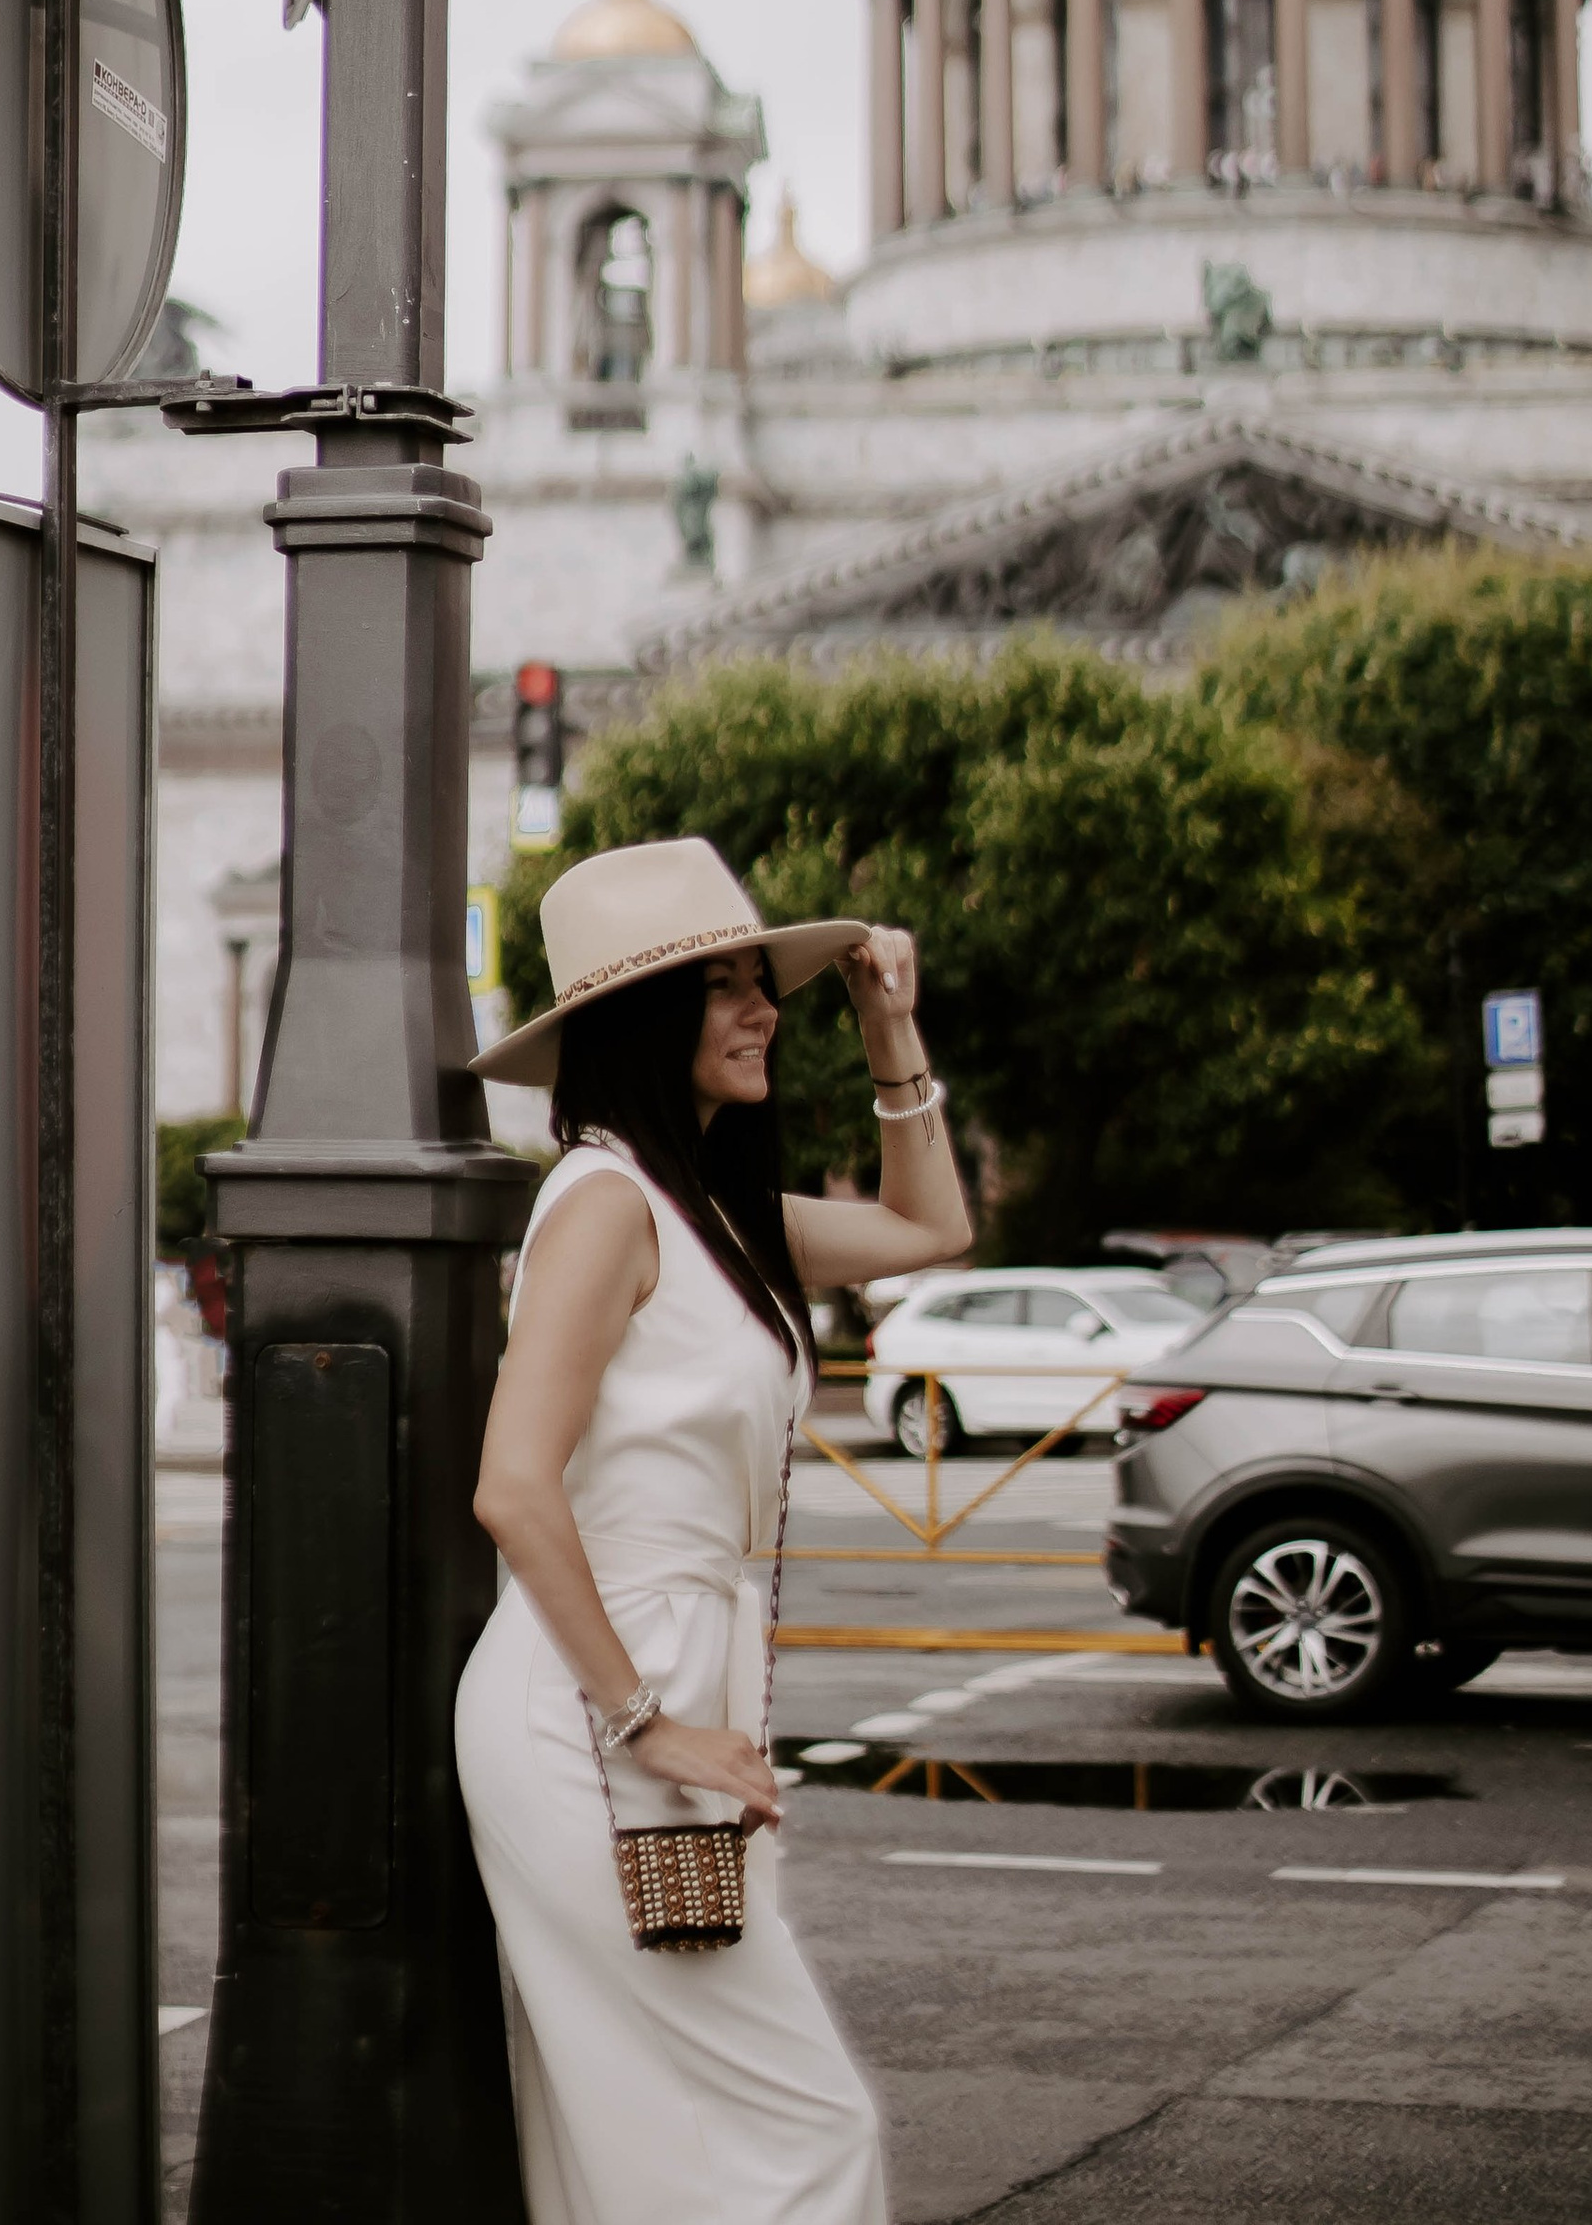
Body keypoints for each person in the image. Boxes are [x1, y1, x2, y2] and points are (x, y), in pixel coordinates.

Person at [457, 836, 971, 2225]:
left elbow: (930, 1231)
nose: (763, 1013)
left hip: (674, 1688)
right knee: (803, 2128)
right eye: (725, 988)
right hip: (591, 1717)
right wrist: (648, 1725)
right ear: (641, 1020)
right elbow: (513, 1486)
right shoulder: (605, 1202)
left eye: (763, 984)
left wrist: (891, 1032)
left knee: (668, 2144)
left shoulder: (713, 1213)